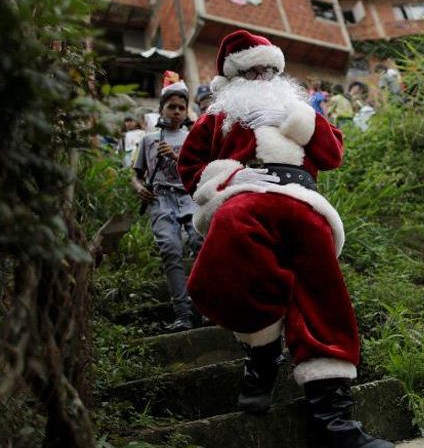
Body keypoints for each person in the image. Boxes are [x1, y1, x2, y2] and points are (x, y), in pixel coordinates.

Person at [177, 30, 392, 448]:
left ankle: (333, 418)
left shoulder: (300, 112)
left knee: (320, 295)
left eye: (269, 70)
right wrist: (231, 177)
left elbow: (332, 156)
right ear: (235, 76)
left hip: (301, 200)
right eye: (253, 70)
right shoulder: (217, 117)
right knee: (233, 248)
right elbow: (190, 168)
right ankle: (262, 351)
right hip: (244, 195)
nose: (262, 76)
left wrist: (302, 121)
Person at [131, 81, 204, 332]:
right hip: (160, 198)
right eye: (171, 107)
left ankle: (203, 306)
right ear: (161, 109)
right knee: (171, 249)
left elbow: (199, 171)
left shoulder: (192, 139)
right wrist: (140, 188)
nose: (176, 112)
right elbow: (137, 174)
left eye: (181, 108)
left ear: (186, 112)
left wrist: (175, 158)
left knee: (199, 242)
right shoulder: (149, 140)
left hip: (189, 196)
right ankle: (182, 313)